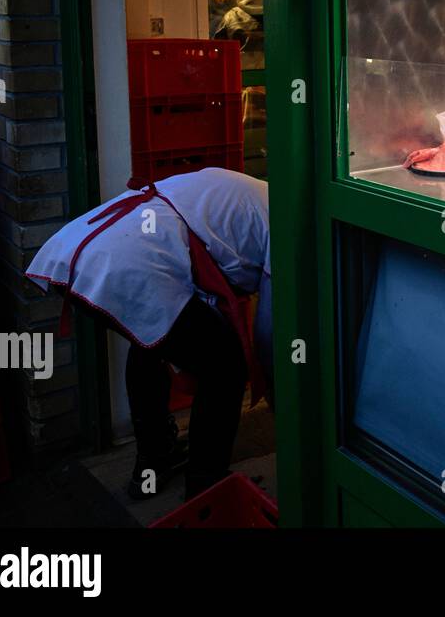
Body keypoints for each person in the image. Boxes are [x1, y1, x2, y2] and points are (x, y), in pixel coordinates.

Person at [26, 168, 272, 500]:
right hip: (127, 258)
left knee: (150, 343)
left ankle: (154, 460)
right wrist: (279, 394)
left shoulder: (248, 192)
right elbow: (269, 332)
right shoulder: (282, 223)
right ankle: (206, 484)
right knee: (225, 367)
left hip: (86, 246)